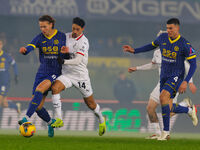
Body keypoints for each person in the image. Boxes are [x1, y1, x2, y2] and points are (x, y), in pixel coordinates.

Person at [123, 18, 198, 140]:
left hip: (176, 77)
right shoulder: (162, 40)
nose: (168, 31)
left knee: (163, 98)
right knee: (157, 108)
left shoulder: (184, 44)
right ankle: (187, 109)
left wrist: (187, 81)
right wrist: (134, 51)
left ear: (177, 28)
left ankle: (165, 133)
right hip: (163, 77)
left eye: (170, 28)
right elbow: (150, 46)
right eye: (167, 28)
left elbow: (192, 64)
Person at [50, 17, 106, 136]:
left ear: (82, 29)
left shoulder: (84, 42)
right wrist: (62, 52)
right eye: (73, 28)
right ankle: (59, 119)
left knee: (90, 104)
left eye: (77, 29)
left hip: (80, 76)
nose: (74, 31)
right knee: (55, 88)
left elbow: (78, 60)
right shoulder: (66, 37)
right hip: (67, 74)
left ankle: (101, 118)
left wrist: (63, 61)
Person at [18, 15, 66, 137]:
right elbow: (31, 46)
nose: (42, 29)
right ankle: (50, 123)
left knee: (39, 89)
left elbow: (68, 53)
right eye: (40, 27)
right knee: (38, 107)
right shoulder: (39, 38)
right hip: (42, 72)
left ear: (51, 24)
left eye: (44, 26)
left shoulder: (61, 36)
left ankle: (26, 118)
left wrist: (67, 55)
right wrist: (25, 50)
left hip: (55, 71)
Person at [0, 40, 21, 114]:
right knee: (4, 104)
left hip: (4, 82)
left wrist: (16, 75)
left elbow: (14, 64)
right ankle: (15, 106)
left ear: (2, 45)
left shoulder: (6, 56)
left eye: (0, 44)